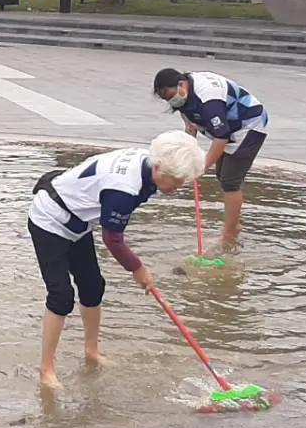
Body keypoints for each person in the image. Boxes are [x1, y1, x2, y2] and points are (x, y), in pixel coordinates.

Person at [28, 131, 208, 391]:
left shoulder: (149, 164)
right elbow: (112, 239)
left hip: (77, 220)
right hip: (50, 219)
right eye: (177, 181)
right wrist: (138, 269)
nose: (178, 187)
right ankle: (46, 370)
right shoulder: (124, 188)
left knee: (93, 286)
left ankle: (91, 352)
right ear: (159, 168)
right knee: (61, 295)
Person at [152, 69, 268, 253]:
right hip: (227, 128)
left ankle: (229, 236)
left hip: (248, 124)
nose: (171, 101)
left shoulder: (208, 100)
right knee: (222, 175)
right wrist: (188, 151)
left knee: (230, 181)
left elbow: (221, 137)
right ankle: (235, 224)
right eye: (166, 99)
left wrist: (200, 167)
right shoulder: (184, 96)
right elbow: (190, 126)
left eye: (171, 95)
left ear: (181, 84)